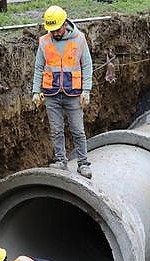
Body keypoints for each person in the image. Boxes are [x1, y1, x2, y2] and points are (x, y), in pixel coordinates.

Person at [32, 5, 93, 179]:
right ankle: (61, 160)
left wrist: (86, 90)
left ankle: (83, 163)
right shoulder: (44, 41)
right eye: (51, 30)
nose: (55, 33)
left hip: (73, 93)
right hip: (51, 94)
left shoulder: (79, 39)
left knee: (78, 130)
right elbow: (38, 68)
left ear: (65, 23)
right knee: (56, 130)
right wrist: (36, 91)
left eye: (56, 29)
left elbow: (87, 66)